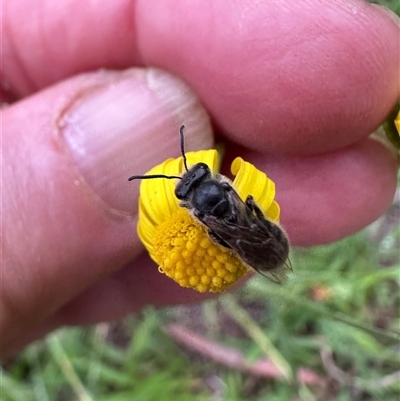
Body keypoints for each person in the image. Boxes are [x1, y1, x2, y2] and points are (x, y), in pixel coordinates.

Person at [1, 0, 399, 356]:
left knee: (239, 227)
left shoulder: (192, 212)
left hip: (255, 240)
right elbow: (238, 203)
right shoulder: (211, 206)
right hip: (256, 238)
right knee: (241, 225)